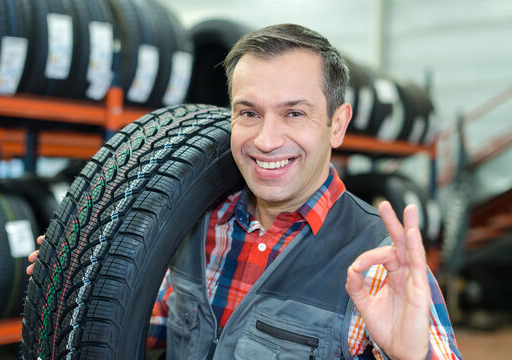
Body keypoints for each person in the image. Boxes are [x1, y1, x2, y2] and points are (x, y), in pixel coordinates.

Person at [28, 24, 462, 359]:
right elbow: (154, 322)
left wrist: (410, 354)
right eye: (249, 113)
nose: (267, 140)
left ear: (338, 124)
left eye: (294, 113)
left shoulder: (380, 263)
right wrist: (86, 282)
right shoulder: (194, 224)